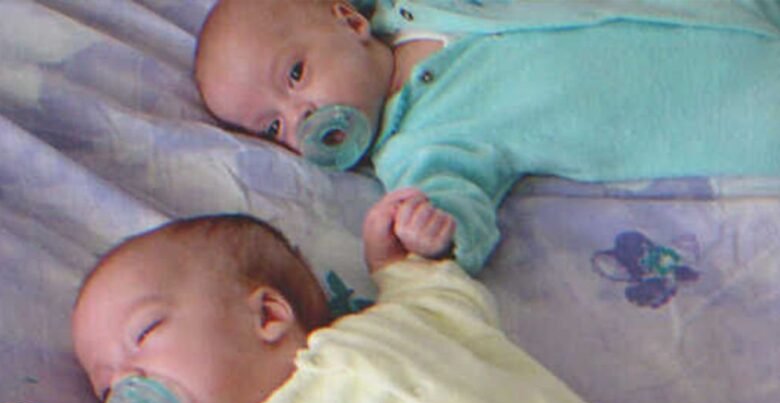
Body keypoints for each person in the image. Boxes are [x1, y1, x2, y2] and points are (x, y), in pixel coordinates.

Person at [72, 188, 731, 403]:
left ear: (267, 315)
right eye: (105, 389)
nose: (125, 383)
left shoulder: (391, 325)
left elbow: (445, 302)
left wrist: (398, 263)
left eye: (144, 333)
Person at [194, 0, 780, 274]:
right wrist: (430, 236)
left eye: (296, 75)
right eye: (273, 127)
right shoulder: (416, 145)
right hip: (725, 103)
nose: (301, 117)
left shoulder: (416, 8)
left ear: (348, 20)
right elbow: (453, 202)